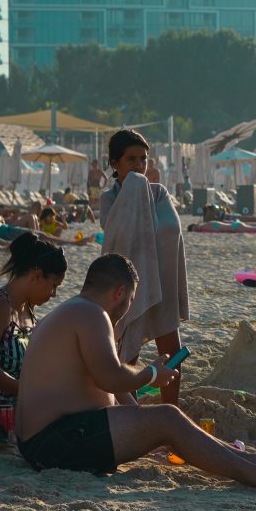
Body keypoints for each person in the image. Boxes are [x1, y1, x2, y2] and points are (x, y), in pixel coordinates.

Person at [14, 252, 256, 485]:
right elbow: (110, 378)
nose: (128, 307)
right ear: (120, 292)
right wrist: (151, 375)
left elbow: (102, 380)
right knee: (168, 418)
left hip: (46, 440)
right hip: (55, 442)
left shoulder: (74, 311)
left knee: (162, 419)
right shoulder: (92, 315)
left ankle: (251, 460)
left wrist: (141, 423)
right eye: (132, 299)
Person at [99, 129, 189, 397]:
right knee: (127, 344)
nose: (139, 166)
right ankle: (127, 408)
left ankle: (172, 408)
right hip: (127, 283)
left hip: (160, 278)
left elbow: (171, 231)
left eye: (143, 159)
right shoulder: (109, 198)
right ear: (115, 163)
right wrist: (134, 197)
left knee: (170, 346)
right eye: (131, 160)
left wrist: (145, 219)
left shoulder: (159, 194)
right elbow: (115, 235)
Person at [0, 234, 67, 432]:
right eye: (54, 285)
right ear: (36, 275)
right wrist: (24, 389)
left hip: (16, 395)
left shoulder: (26, 308)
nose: (53, 294)